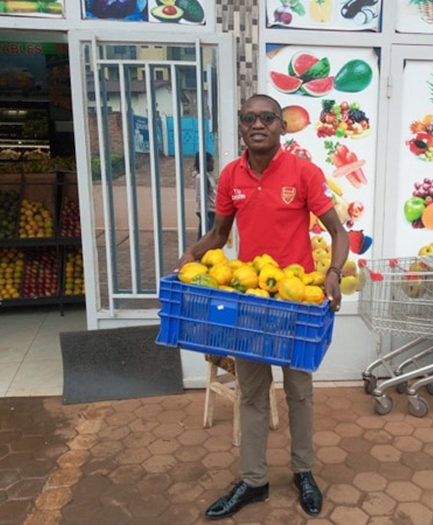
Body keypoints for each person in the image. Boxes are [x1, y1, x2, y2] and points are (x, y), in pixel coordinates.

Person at [177, 93, 349, 520]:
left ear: (281, 127)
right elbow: (219, 234)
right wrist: (190, 254)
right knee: (252, 394)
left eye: (267, 118)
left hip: (295, 305)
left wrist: (334, 273)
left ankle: (303, 471)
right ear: (240, 125)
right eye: (249, 118)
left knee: (299, 393)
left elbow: (338, 232)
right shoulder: (231, 176)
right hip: (251, 300)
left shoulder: (304, 172)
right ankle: (253, 480)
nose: (258, 124)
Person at [193, 151, 216, 239]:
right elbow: (201, 196)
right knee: (206, 236)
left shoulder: (208, 175)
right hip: (208, 211)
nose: (212, 165)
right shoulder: (202, 177)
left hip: (211, 209)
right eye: (211, 162)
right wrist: (204, 214)